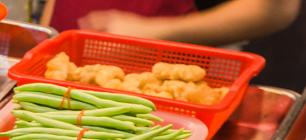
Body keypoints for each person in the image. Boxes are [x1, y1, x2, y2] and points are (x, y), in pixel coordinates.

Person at [42, 0, 301, 47]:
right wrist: (45, 39)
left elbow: (275, 9)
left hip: (170, 75)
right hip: (62, 65)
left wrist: (155, 32)